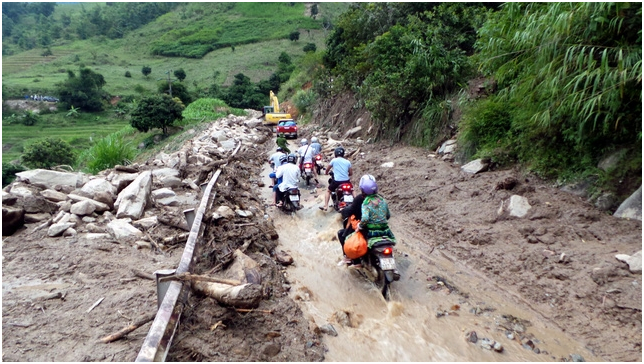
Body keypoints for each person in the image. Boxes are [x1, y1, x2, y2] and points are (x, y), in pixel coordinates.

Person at [356, 174, 396, 242]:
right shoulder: (382, 200)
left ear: (363, 192)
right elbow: (388, 215)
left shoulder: (366, 203)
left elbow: (365, 219)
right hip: (385, 230)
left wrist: (359, 226)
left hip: (372, 232)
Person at [319, 147, 352, 211]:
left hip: (337, 182)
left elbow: (328, 169)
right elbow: (350, 173)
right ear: (343, 154)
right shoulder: (347, 162)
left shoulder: (334, 160)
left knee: (328, 191)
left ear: (335, 154)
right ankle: (356, 205)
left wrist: (326, 173)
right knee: (352, 190)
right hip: (346, 181)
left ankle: (326, 206)